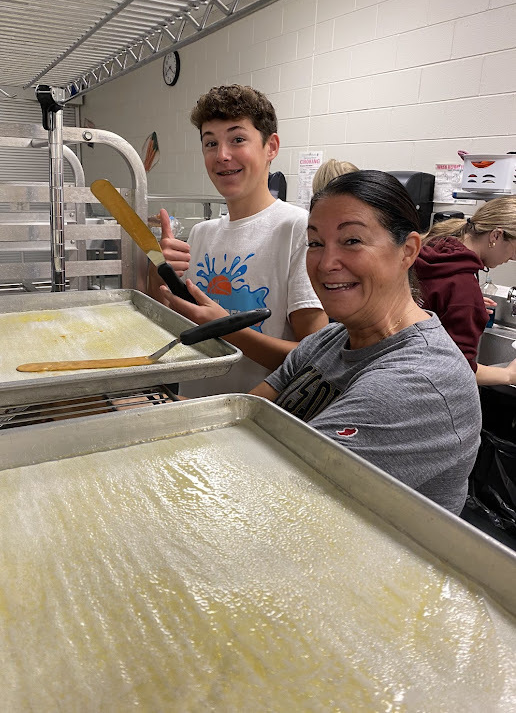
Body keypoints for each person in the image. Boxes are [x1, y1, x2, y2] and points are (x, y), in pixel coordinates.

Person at [250, 170, 481, 515]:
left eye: (352, 240)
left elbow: (277, 491)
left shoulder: (421, 382)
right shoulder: (331, 339)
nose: (326, 263)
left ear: (408, 251)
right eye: (315, 243)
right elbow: (241, 418)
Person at [150, 84, 328, 396]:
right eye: (210, 143)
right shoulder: (202, 233)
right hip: (194, 408)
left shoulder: (297, 229)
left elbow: (314, 360)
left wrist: (227, 329)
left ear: (271, 146)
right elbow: (177, 324)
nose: (222, 155)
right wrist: (159, 270)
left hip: (257, 425)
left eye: (237, 139)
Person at [415, 197, 516, 386]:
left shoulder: (437, 246)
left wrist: (460, 305)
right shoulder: (462, 287)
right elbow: (457, 372)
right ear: (496, 236)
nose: (512, 258)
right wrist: (509, 375)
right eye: (514, 251)